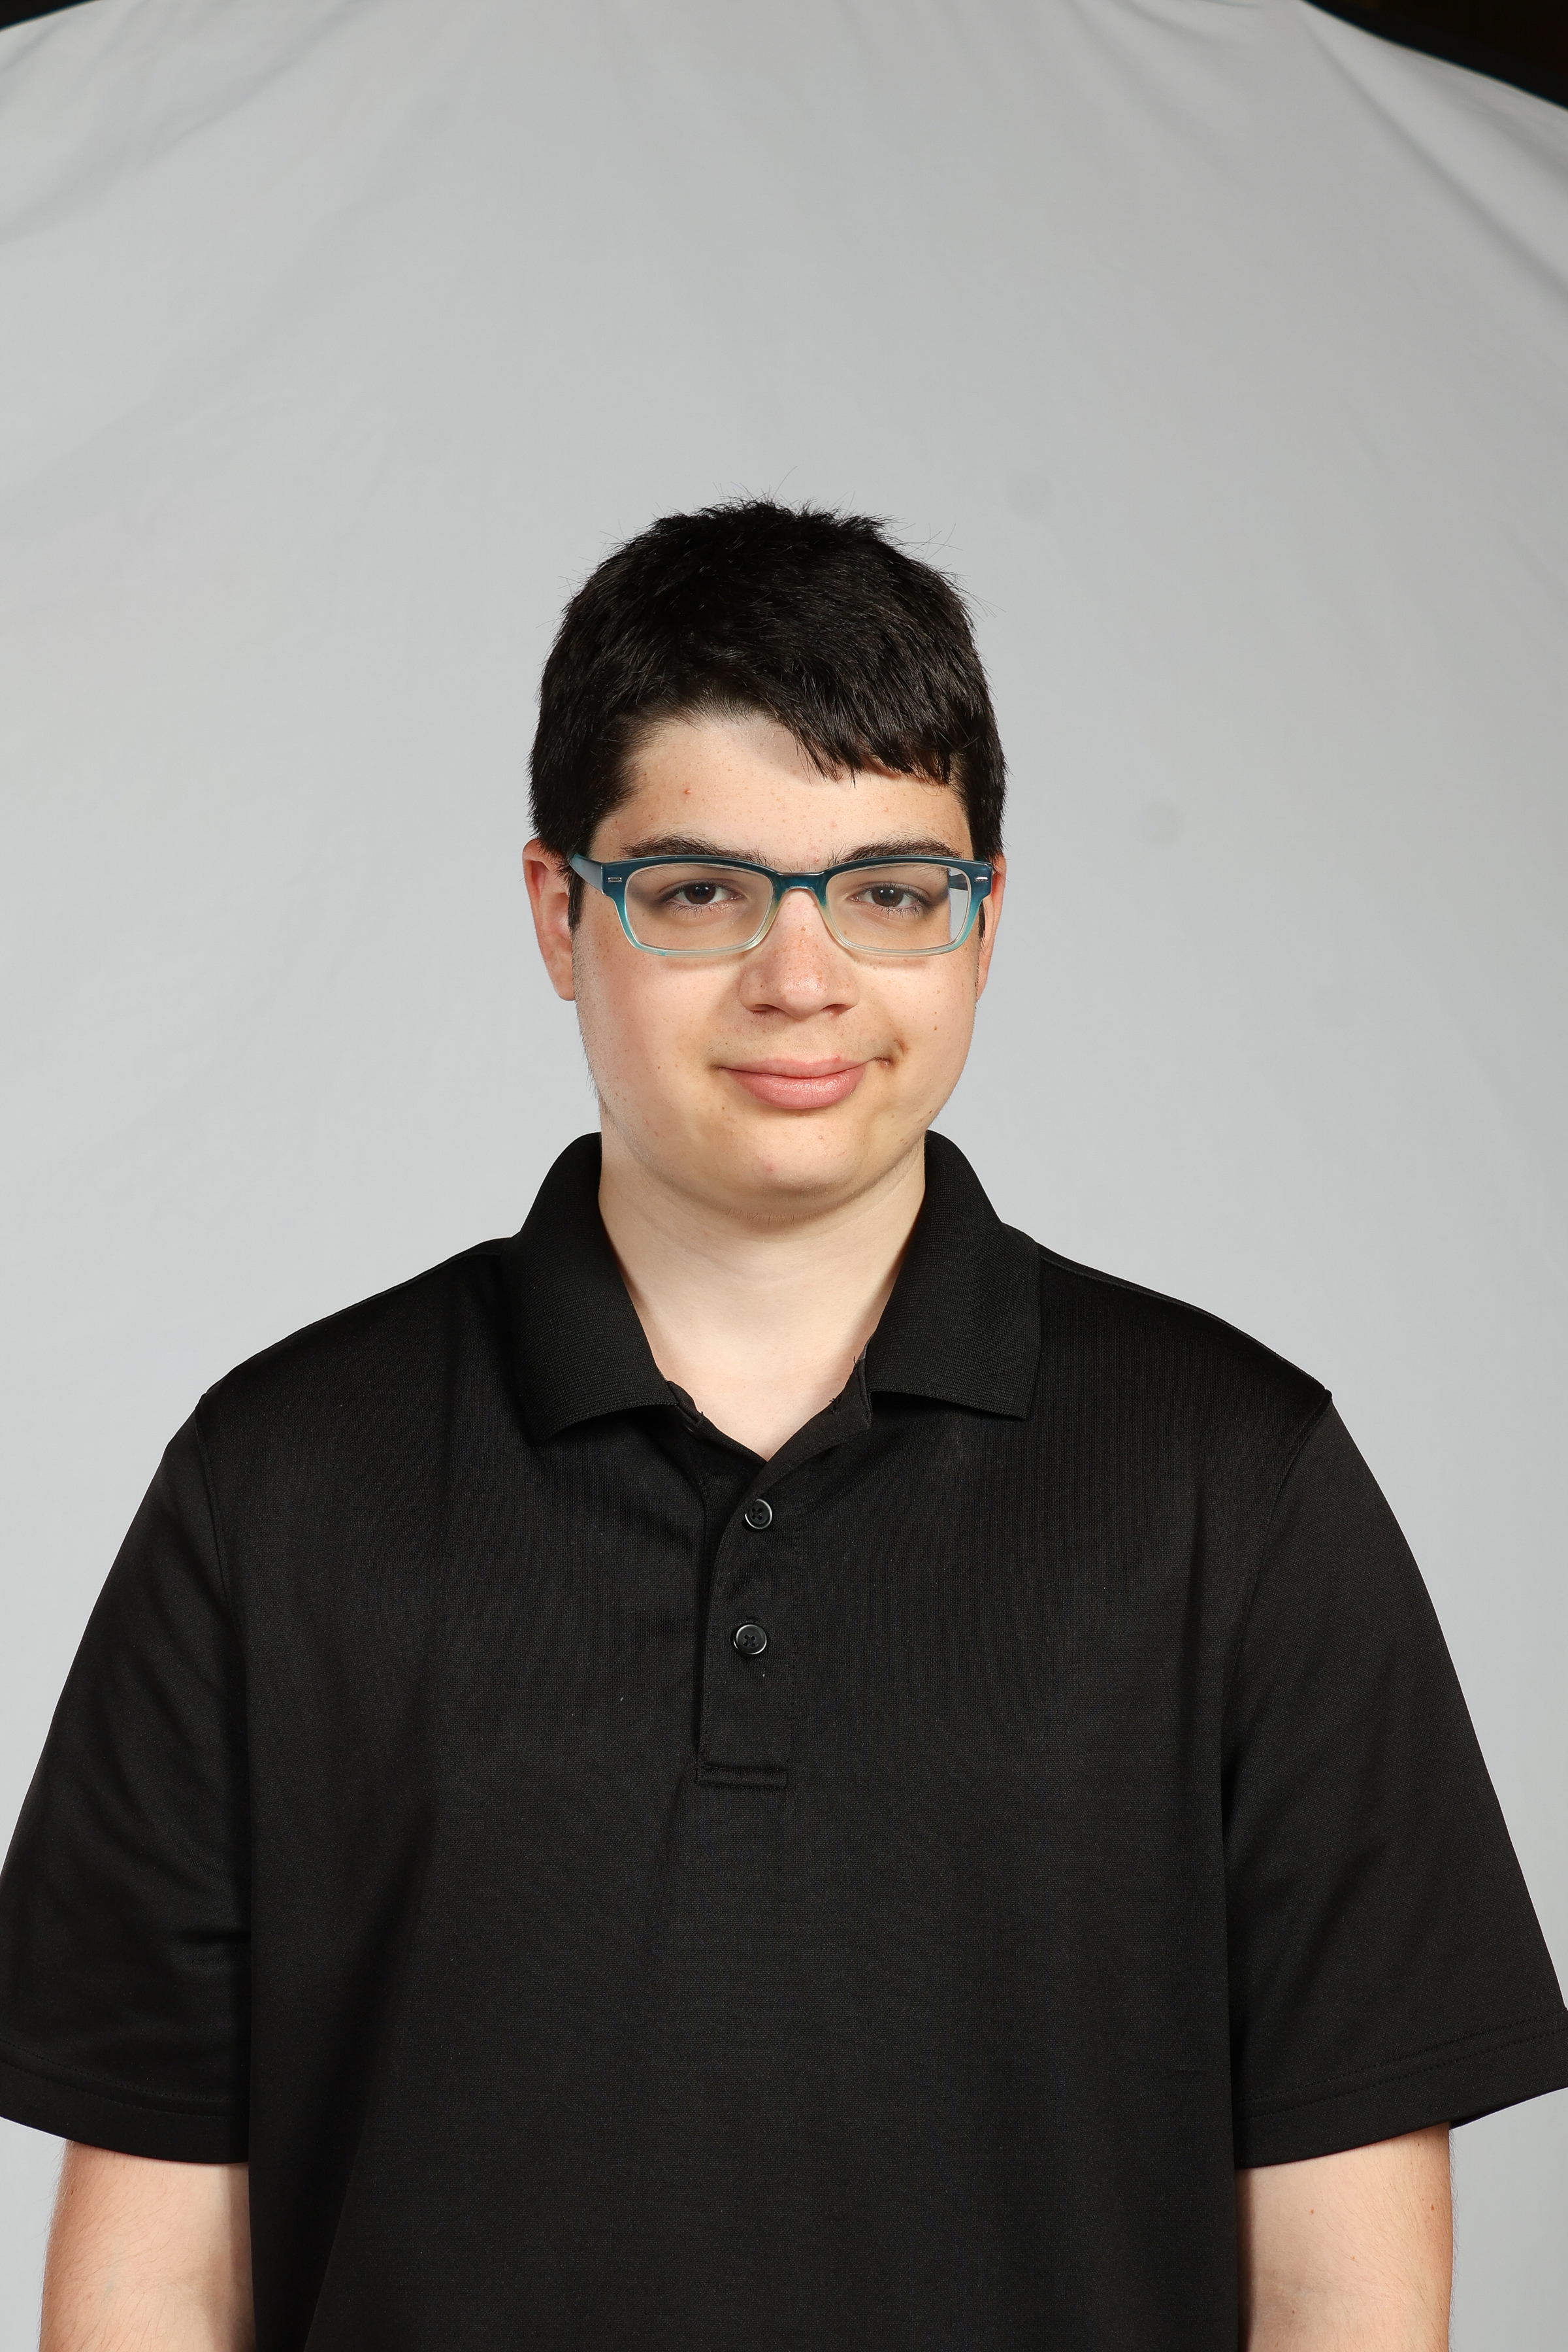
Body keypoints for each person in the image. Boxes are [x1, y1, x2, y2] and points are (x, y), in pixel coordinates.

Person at [1, 500, 1563, 2352]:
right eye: (700, 891)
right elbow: (154, 2276)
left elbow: (1345, 2287)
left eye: (890, 890)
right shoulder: (276, 1487)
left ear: (985, 923)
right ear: (558, 913)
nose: (801, 979)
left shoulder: (1239, 1483)